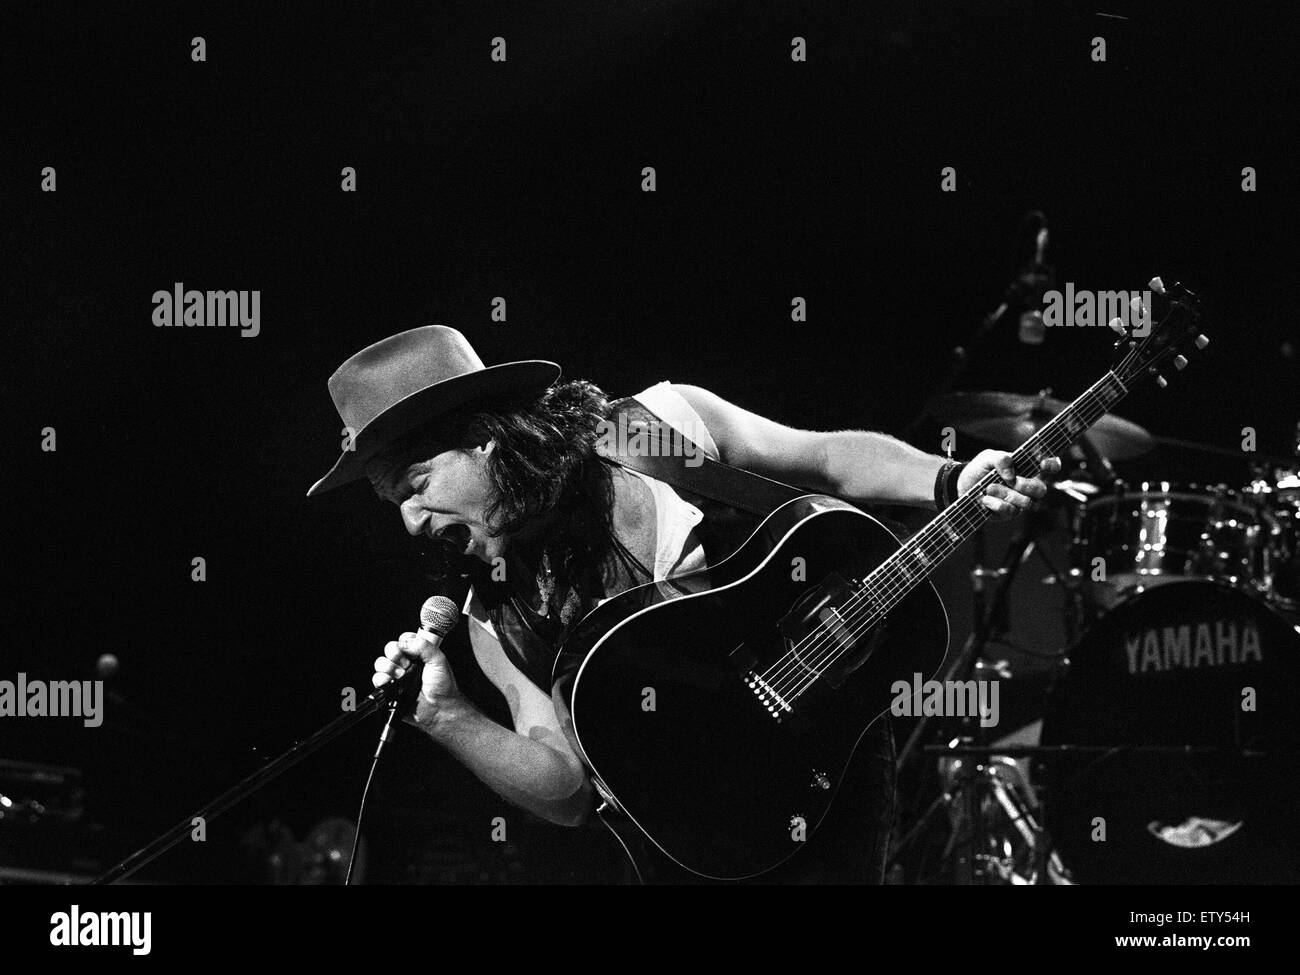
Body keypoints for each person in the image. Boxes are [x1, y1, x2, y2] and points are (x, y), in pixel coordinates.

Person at [307, 325, 1060, 882]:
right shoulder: (492, 614)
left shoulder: (649, 430)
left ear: (486, 441)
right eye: (392, 502)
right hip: (693, 851)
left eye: (415, 485)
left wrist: (950, 478)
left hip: (825, 778)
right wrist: (447, 716)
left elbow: (824, 459)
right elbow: (567, 790)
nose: (410, 522)